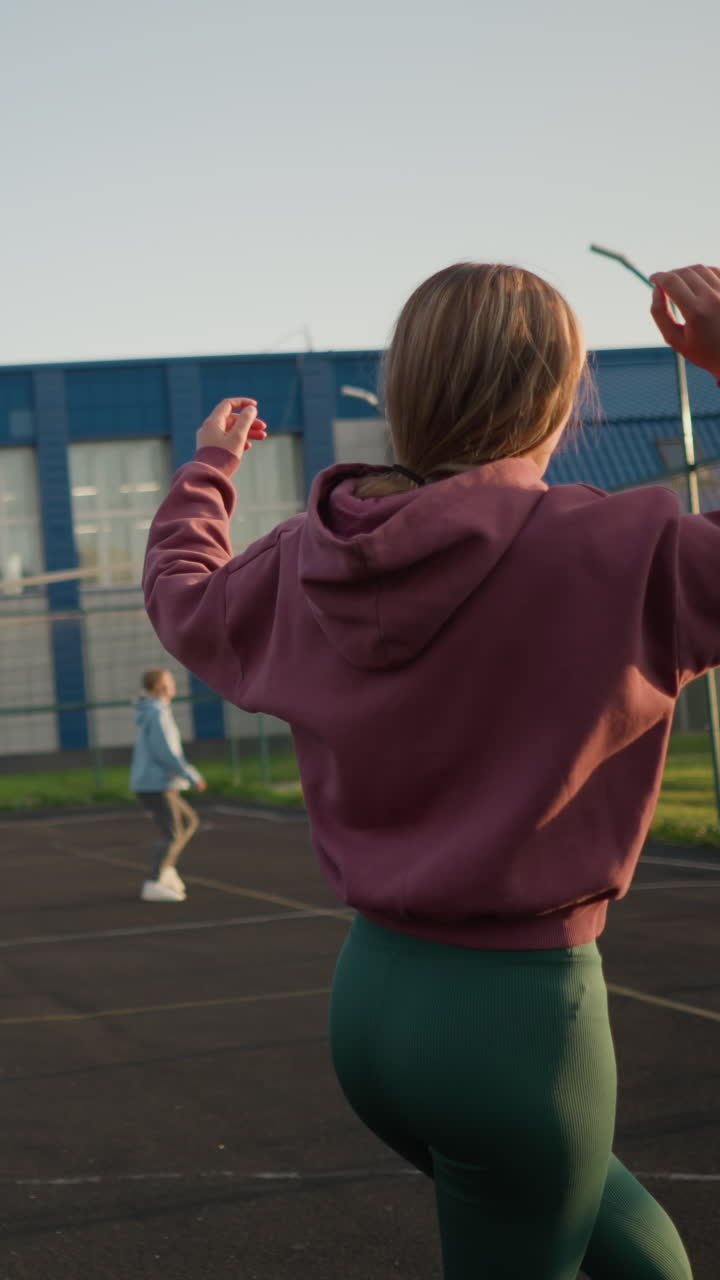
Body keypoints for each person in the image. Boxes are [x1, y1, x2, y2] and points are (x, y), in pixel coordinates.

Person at [141, 262, 720, 1278]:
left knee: (648, 1263)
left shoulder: (305, 556)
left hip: (373, 1005)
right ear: (560, 398)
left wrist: (209, 468)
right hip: (521, 1028)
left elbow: (182, 591)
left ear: (404, 390)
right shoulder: (625, 549)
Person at [130, 666, 206, 902]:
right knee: (172, 834)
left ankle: (167, 870)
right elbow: (165, 752)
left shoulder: (156, 710)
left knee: (189, 821)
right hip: (156, 784)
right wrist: (191, 776)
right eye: (170, 682)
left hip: (158, 782)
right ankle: (154, 882)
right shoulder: (157, 713)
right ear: (160, 687)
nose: (174, 686)